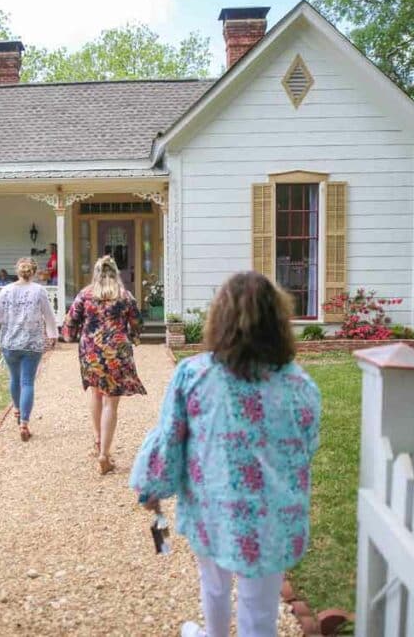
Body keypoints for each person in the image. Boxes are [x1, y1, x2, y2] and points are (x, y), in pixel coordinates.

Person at [129, 272, 321, 637]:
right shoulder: (299, 384)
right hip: (273, 515)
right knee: (260, 608)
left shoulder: (194, 375)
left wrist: (151, 486)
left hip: (212, 509)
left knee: (214, 584)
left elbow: (170, 439)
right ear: (278, 322)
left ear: (220, 319)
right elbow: (307, 445)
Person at [62, 255, 146, 474]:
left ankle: (98, 441)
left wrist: (70, 336)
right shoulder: (125, 296)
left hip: (91, 352)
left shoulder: (85, 295)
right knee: (111, 403)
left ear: (96, 273)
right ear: (115, 273)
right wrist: (134, 336)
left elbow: (70, 323)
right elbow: (137, 323)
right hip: (116, 352)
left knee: (96, 394)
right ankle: (104, 455)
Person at [0, 257, 59, 441]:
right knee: (28, 382)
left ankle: (17, 409)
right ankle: (24, 422)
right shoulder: (39, 291)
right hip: (32, 344)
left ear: (18, 271)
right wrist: (53, 334)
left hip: (10, 344)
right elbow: (49, 315)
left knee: (15, 379)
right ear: (34, 272)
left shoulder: (6, 291)